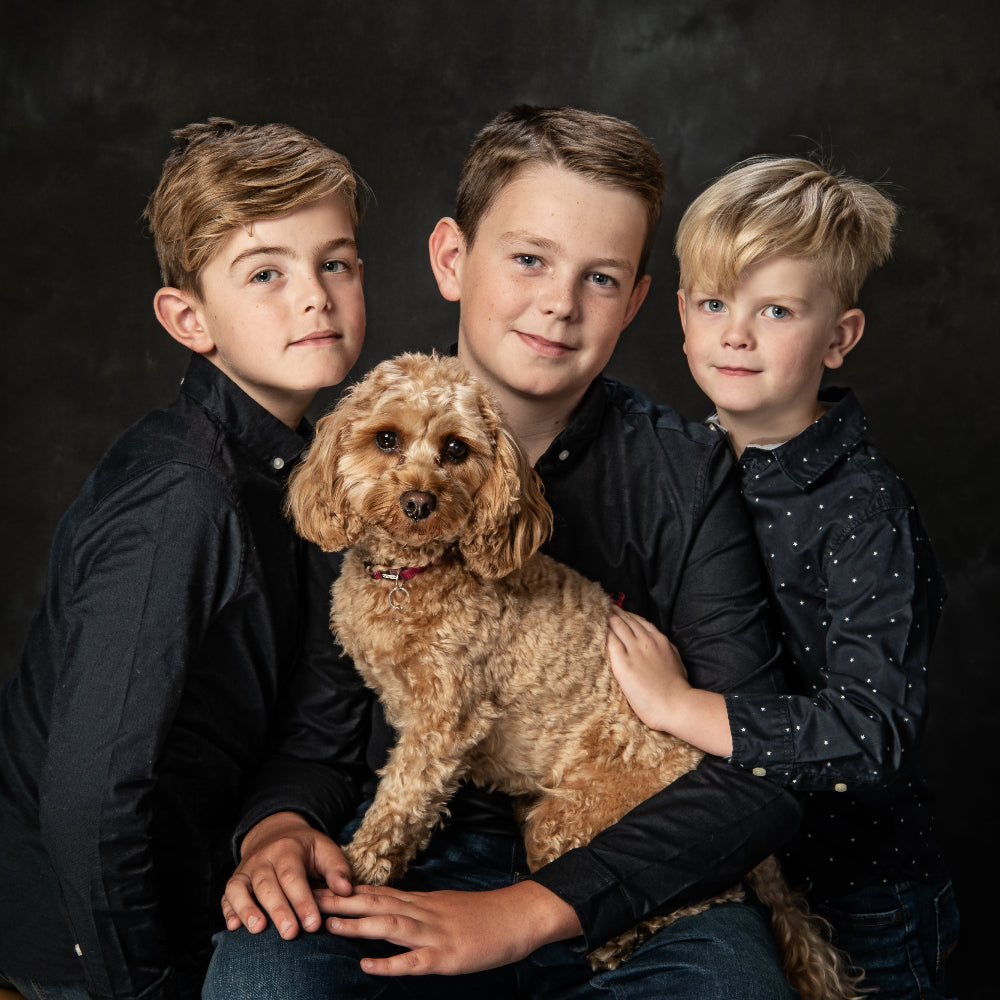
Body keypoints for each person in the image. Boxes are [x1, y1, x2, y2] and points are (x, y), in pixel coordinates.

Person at [203, 105, 805, 999]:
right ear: (452, 259)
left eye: (600, 278)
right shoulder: (358, 448)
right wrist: (277, 829)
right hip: (417, 832)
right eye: (528, 258)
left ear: (637, 301)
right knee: (260, 982)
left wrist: (533, 907)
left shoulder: (687, 475)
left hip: (637, 839)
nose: (560, 303)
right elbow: (318, 732)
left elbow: (761, 764)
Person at [0, 118, 367, 1000]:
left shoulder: (306, 469)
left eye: (337, 262)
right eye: (267, 274)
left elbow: (313, 710)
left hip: (208, 881)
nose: (315, 296)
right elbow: (93, 801)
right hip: (83, 950)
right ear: (189, 319)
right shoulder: (182, 498)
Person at [607, 155, 959, 998]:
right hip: (721, 869)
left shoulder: (862, 508)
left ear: (839, 336)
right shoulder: (677, 466)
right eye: (717, 304)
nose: (738, 334)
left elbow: (872, 737)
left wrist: (678, 708)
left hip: (858, 888)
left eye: (776, 310)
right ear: (683, 317)